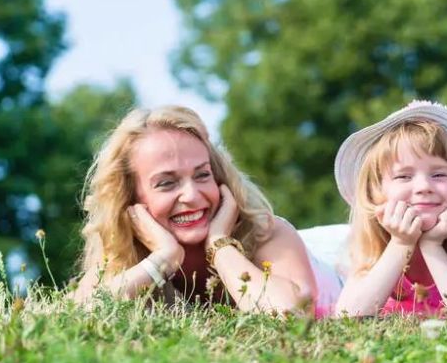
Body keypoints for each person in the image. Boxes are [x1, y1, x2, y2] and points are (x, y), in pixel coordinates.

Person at [72, 105, 342, 316]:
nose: (191, 195)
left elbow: (289, 315)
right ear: (129, 198)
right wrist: (163, 259)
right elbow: (78, 314)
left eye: (202, 175)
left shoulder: (266, 232)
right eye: (167, 183)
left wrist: (220, 245)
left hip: (343, 256)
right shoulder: (121, 254)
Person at [333, 101, 447, 318]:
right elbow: (348, 318)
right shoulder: (371, 253)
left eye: (438, 175)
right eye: (403, 176)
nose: (424, 187)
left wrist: (432, 246)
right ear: (376, 194)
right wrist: (401, 243)